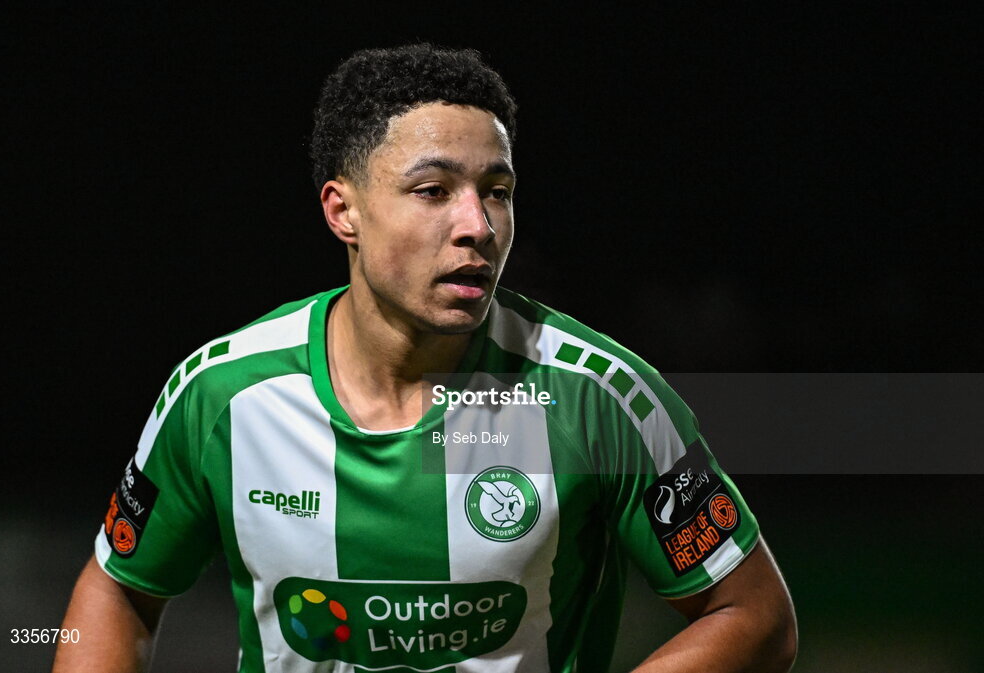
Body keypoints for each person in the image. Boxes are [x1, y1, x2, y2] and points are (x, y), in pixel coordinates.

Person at [54, 43, 797, 673]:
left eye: (496, 191)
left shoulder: (597, 396)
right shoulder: (222, 394)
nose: (478, 225)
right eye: (434, 190)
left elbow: (755, 613)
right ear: (343, 211)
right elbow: (118, 587)